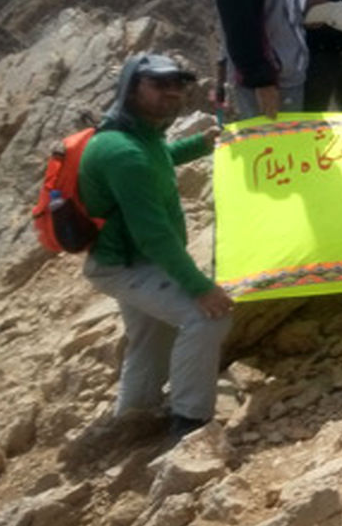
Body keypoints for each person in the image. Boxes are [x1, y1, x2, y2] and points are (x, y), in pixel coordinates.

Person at [79, 54, 234, 440]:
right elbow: (154, 235)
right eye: (158, 83)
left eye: (178, 83)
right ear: (132, 88)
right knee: (207, 318)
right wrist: (201, 288)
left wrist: (202, 143)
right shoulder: (123, 152)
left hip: (129, 258)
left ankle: (134, 416)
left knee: (150, 336)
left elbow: (161, 159)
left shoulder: (139, 136)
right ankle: (190, 423)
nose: (172, 91)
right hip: (128, 263)